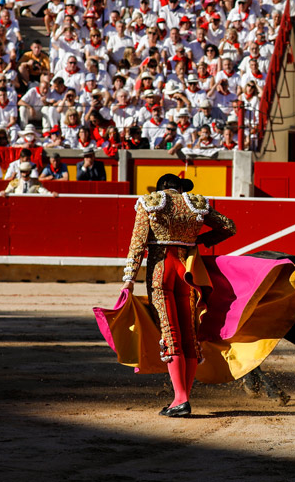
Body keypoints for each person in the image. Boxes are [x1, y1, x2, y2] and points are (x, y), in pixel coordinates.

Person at [119, 173, 238, 416]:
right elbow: (229, 226)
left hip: (161, 271)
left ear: (162, 187)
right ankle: (183, 397)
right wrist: (199, 240)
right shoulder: (195, 203)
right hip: (188, 272)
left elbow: (137, 244)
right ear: (178, 188)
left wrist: (128, 280)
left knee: (170, 331)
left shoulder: (150, 202)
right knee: (188, 332)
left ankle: (180, 399)